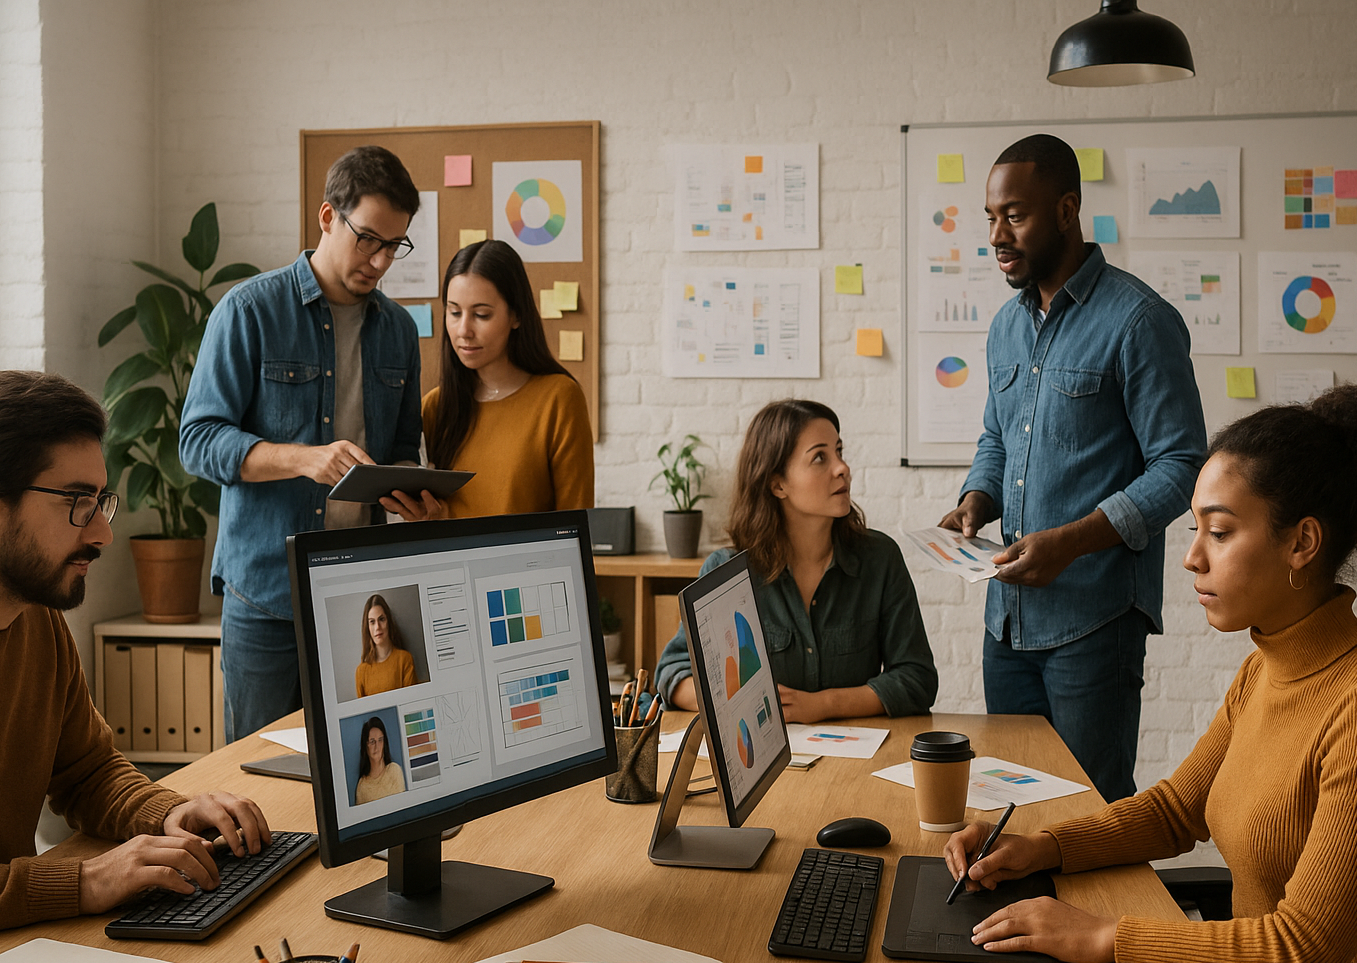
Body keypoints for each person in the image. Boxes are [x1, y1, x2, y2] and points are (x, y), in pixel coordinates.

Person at [942, 385, 1357, 963]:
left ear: (1301, 544)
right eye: (1195, 531)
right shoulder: (1264, 668)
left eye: (1219, 531)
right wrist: (1040, 847)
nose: (1190, 558)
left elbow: (1305, 954)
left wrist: (1104, 936)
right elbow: (1176, 811)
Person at [0, 371, 272, 936]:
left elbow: (86, 771)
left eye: (101, 502)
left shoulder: (36, 618)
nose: (102, 533)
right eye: (76, 502)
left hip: (1, 942)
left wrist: (169, 812)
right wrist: (87, 881)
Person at [938, 133, 1207, 803]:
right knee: (1010, 806)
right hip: (1007, 621)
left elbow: (1182, 465)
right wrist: (977, 498)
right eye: (991, 218)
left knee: (1088, 811)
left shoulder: (1140, 321)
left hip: (1096, 620)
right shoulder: (1005, 326)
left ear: (1066, 210)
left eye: (1016, 216)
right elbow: (998, 438)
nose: (998, 234)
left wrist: (1074, 541)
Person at [181, 146, 431, 742]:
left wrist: (411, 493)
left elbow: (400, 447)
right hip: (267, 595)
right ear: (327, 216)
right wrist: (305, 459)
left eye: (394, 246)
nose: (379, 260)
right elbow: (197, 441)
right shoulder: (248, 310)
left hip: (356, 595)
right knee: (262, 782)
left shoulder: (398, 330)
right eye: (367, 238)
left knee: (358, 769)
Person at [654, 399, 937, 723]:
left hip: (861, 760)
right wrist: (744, 699)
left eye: (839, 451)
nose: (842, 467)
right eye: (820, 457)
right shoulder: (726, 571)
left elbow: (918, 680)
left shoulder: (880, 558)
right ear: (778, 484)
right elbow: (673, 676)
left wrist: (821, 705)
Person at [401, 239, 593, 520]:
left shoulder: (559, 399)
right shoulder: (435, 406)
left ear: (516, 315)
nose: (463, 330)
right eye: (454, 312)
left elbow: (575, 523)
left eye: (481, 314)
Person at [355, 593, 416, 698]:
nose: (377, 627)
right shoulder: (361, 672)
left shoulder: (405, 660)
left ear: (389, 622)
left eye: (381, 619)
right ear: (367, 627)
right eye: (372, 622)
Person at [355, 716, 405, 804]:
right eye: (372, 741)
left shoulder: (394, 771)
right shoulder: (362, 786)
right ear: (365, 746)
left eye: (380, 740)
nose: (377, 746)